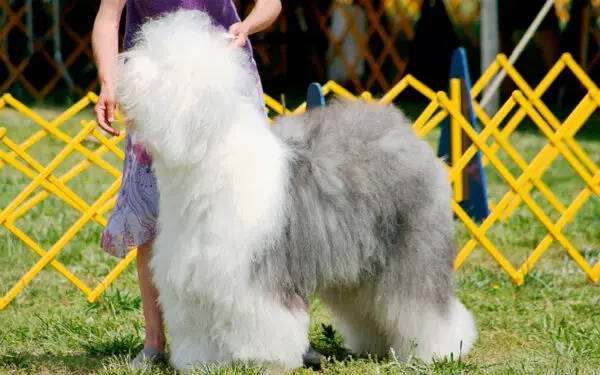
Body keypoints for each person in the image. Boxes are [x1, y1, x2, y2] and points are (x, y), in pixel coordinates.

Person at [91, 0, 321, 369]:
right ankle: (156, 342)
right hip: (157, 92)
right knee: (152, 215)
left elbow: (271, 4)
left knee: (260, 215)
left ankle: (284, 332)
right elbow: (107, 18)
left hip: (227, 86)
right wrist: (109, 81)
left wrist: (246, 26)